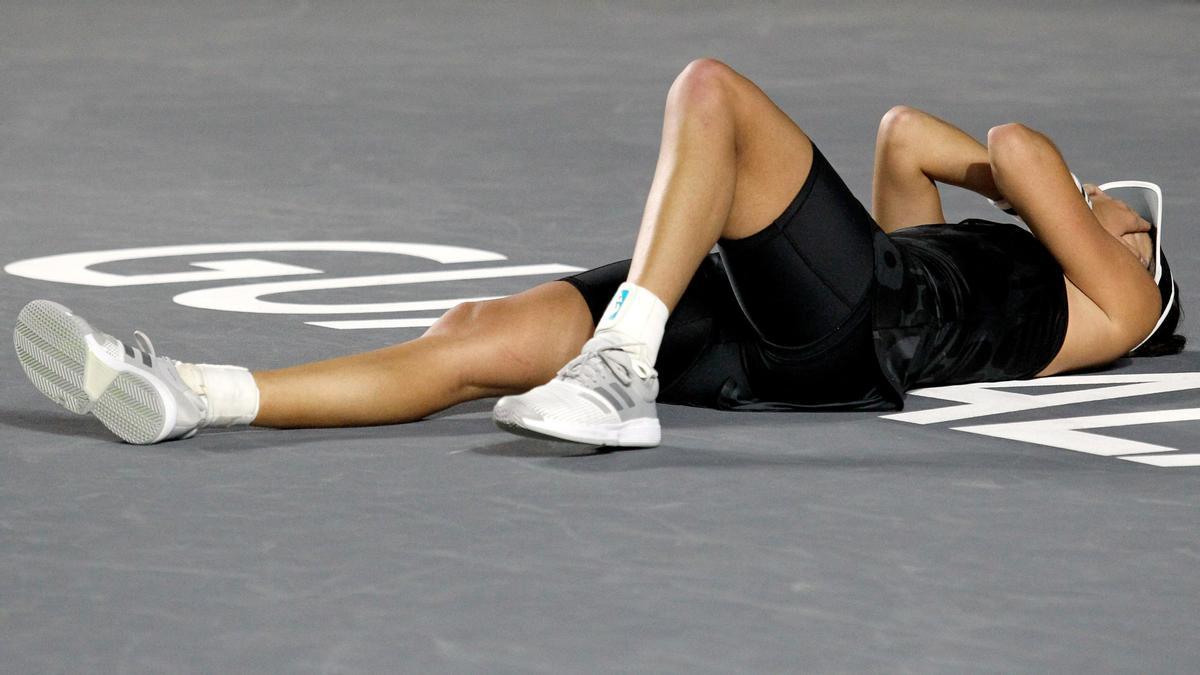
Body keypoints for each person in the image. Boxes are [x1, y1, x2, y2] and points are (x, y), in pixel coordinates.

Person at [14, 59, 1183, 447]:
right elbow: (902, 137)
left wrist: (1053, 196)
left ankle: (623, 363)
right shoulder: (1031, 252)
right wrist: (1028, 199)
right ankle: (193, 396)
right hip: (783, 330)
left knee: (712, 94)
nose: (1102, 206)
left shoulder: (1124, 302)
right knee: (477, 339)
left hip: (869, 330)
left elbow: (1022, 147)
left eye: (1119, 211)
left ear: (1149, 263)